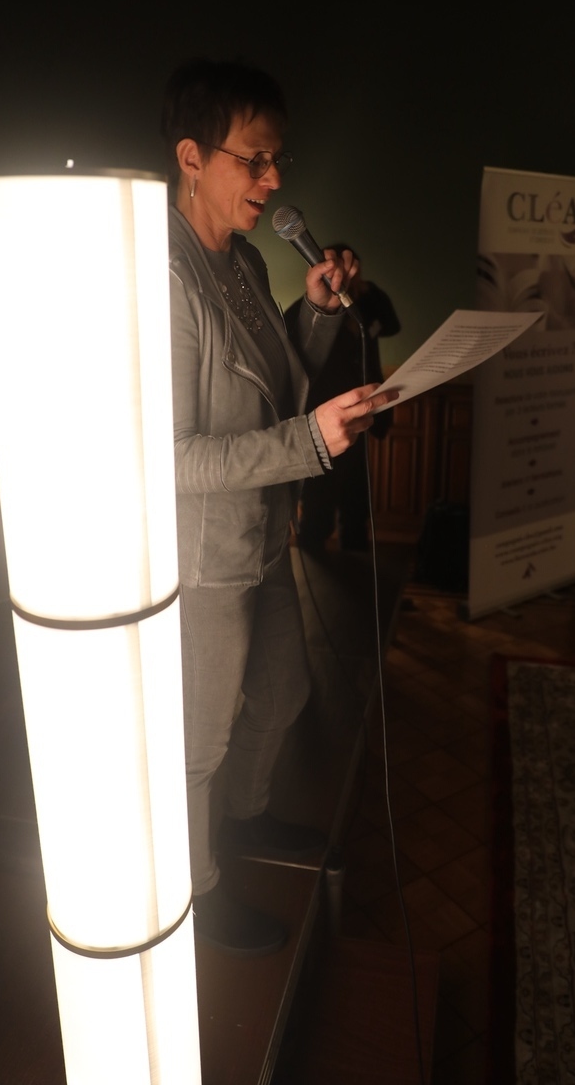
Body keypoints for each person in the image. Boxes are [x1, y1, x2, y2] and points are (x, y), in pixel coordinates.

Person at [160, 59, 398, 956]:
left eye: (277, 161)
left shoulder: (250, 260)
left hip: (263, 533)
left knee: (283, 691)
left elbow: (272, 380)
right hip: (204, 553)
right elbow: (172, 456)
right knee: (199, 740)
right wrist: (312, 443)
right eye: (252, 160)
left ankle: (246, 817)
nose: (272, 181)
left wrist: (319, 311)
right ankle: (193, 889)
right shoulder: (163, 278)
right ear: (191, 156)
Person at [285, 246, 400, 552]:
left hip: (363, 411)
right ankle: (312, 548)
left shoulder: (366, 305)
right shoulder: (306, 309)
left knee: (357, 493)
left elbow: (393, 325)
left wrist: (367, 290)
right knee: (319, 493)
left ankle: (355, 551)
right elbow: (292, 349)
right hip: (324, 415)